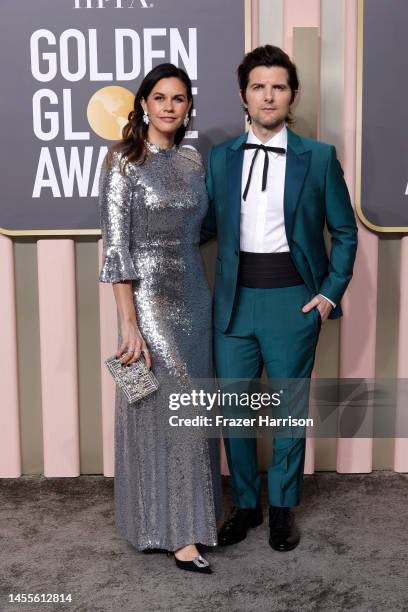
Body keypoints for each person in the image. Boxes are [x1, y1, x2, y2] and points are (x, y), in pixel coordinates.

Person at [200, 45, 357, 551]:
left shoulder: (319, 157)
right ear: (244, 95)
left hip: (294, 301)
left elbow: (345, 232)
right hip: (234, 301)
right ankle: (246, 505)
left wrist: (329, 295)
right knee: (235, 410)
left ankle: (283, 508)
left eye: (279, 87)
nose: (268, 96)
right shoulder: (220, 158)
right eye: (258, 86)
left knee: (289, 411)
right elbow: (200, 227)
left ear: (292, 95)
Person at [98, 63, 222, 574]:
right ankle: (175, 532)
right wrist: (128, 322)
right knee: (158, 401)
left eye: (179, 99)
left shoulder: (195, 162)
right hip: (146, 299)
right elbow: (116, 248)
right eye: (161, 97)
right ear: (143, 104)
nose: (170, 106)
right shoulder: (123, 161)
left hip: (194, 291)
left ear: (188, 107)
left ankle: (182, 520)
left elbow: (208, 227)